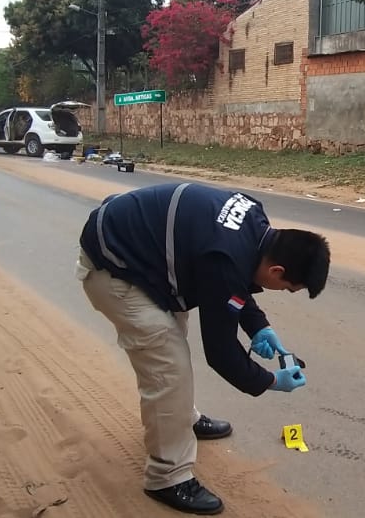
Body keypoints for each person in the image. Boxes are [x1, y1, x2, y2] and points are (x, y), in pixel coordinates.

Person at [77, 182, 330, 515]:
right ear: (277, 270)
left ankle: (180, 419)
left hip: (140, 254)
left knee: (172, 345)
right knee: (168, 366)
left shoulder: (255, 219)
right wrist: (270, 381)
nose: (280, 290)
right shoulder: (224, 258)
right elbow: (221, 353)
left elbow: (234, 282)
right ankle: (167, 477)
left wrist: (259, 326)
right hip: (112, 268)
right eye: (286, 288)